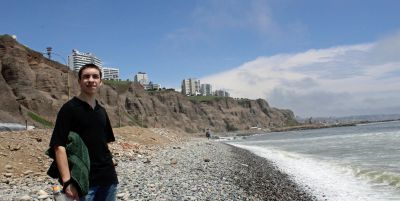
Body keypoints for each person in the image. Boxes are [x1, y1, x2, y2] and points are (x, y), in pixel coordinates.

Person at [49, 63, 118, 201]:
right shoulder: (69, 109)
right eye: (86, 76)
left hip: (108, 178)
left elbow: (103, 144)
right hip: (81, 180)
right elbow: (59, 146)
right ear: (79, 81)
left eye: (95, 77)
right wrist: (67, 181)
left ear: (100, 82)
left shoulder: (101, 111)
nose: (91, 80)